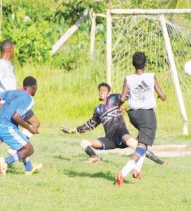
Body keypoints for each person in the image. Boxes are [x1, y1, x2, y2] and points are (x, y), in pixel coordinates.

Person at [61, 82, 165, 176]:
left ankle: (159, 161)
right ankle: (95, 157)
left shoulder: (114, 98)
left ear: (108, 92)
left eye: (104, 90)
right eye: (100, 90)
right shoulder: (98, 109)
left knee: (136, 145)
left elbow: (127, 96)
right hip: (110, 139)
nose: (101, 92)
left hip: (121, 133)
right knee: (84, 142)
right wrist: (74, 130)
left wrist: (135, 95)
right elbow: (91, 124)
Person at [0, 40, 40, 171]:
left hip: (13, 101)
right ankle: (18, 153)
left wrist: (23, 90)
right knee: (35, 123)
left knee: (3, 135)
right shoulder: (2, 65)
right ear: (10, 50)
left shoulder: (8, 65)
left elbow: (8, 86)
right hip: (9, 106)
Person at [115, 52, 166, 186]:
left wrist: (119, 105)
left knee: (142, 141)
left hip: (133, 115)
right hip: (147, 115)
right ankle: (123, 172)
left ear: (133, 64)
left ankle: (137, 169)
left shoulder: (128, 78)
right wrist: (162, 97)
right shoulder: (151, 77)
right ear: (145, 64)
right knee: (143, 145)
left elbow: (122, 98)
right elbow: (162, 95)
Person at [0, 76, 41, 176]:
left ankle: (29, 168)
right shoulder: (29, 99)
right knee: (29, 149)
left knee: (23, 145)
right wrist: (29, 128)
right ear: (34, 87)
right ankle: (5, 161)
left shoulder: (13, 92)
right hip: (6, 127)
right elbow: (16, 117)